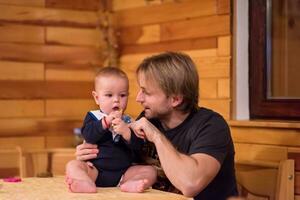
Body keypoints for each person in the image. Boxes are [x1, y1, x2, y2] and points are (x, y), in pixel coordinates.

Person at [75, 52, 238, 200]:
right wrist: (92, 153)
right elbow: (122, 161)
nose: (138, 98)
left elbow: (190, 184)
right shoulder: (148, 118)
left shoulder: (211, 126)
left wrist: (156, 136)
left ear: (175, 99)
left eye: (146, 92)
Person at [65, 67, 157, 193]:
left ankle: (130, 184)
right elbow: (88, 135)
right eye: (109, 95)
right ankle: (85, 183)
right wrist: (105, 122)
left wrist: (127, 133)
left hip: (124, 173)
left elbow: (139, 147)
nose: (116, 100)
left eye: (122, 95)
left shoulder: (129, 122)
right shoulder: (94, 116)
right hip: (95, 170)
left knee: (150, 171)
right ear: (97, 98)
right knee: (72, 165)